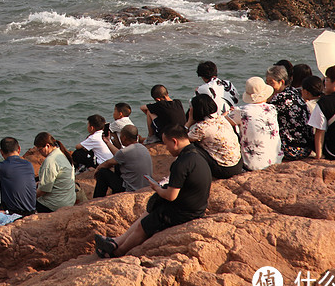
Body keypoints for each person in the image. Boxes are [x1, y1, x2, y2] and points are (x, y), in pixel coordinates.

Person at [92, 126, 212, 258]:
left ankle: (117, 252)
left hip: (185, 212)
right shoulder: (197, 154)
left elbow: (171, 196)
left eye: (167, 145)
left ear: (174, 141)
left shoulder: (181, 163)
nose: (167, 149)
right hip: (197, 205)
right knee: (153, 205)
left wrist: (157, 188)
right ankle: (117, 241)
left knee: (144, 225)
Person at [227, 77, 283, 170]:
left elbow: (223, 123)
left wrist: (227, 113)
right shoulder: (272, 109)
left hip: (251, 164)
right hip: (276, 160)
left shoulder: (242, 111)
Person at [186, 94, 244, 178]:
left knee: (189, 148)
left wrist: (189, 123)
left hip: (224, 170)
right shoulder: (221, 118)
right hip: (238, 165)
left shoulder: (202, 127)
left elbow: (183, 139)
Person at [265, 64, 314, 160]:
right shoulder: (294, 91)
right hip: (306, 146)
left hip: (293, 149)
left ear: (281, 82)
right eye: (267, 82)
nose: (268, 86)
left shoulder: (281, 98)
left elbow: (262, 114)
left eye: (271, 82)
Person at [93, 125, 153, 197]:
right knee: (118, 164)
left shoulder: (125, 152)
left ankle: (97, 198)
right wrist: (108, 142)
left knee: (102, 172)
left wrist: (98, 168)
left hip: (130, 189)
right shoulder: (142, 147)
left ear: (124, 138)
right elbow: (119, 155)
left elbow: (107, 163)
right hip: (144, 187)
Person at [33, 133, 76, 213]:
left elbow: (44, 189)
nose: (39, 153)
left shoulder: (50, 161)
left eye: (39, 150)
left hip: (54, 205)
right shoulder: (61, 154)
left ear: (47, 146)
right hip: (68, 201)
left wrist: (30, 198)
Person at [0, 137, 37, 217]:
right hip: (32, 211)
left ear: (1, 152)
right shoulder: (29, 165)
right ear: (19, 149)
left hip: (15, 213)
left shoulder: (0, 167)